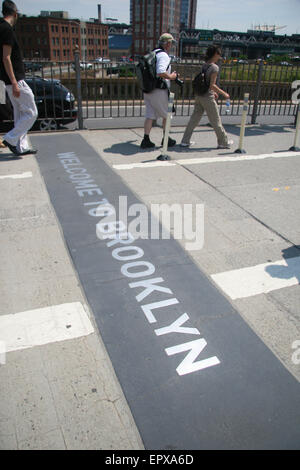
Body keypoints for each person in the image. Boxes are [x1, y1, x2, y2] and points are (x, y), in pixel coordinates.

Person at [0, 0, 38, 156]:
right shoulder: (6, 29)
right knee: (31, 113)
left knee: (20, 114)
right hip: (15, 80)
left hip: (8, 81)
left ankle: (20, 146)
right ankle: (10, 138)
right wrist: (15, 82)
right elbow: (6, 57)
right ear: (15, 13)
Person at [181, 45, 233, 149]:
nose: (220, 56)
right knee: (215, 120)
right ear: (215, 54)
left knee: (194, 119)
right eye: (219, 54)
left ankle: (185, 141)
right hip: (207, 97)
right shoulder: (214, 67)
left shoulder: (205, 65)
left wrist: (212, 92)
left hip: (199, 95)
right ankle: (223, 142)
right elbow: (212, 85)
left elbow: (205, 82)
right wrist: (224, 94)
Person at [141, 33, 178, 149]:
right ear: (167, 44)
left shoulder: (152, 53)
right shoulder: (164, 56)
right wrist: (172, 76)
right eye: (171, 43)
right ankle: (165, 138)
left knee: (150, 115)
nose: (171, 46)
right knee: (167, 114)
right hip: (159, 89)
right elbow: (161, 72)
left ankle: (146, 139)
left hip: (148, 89)